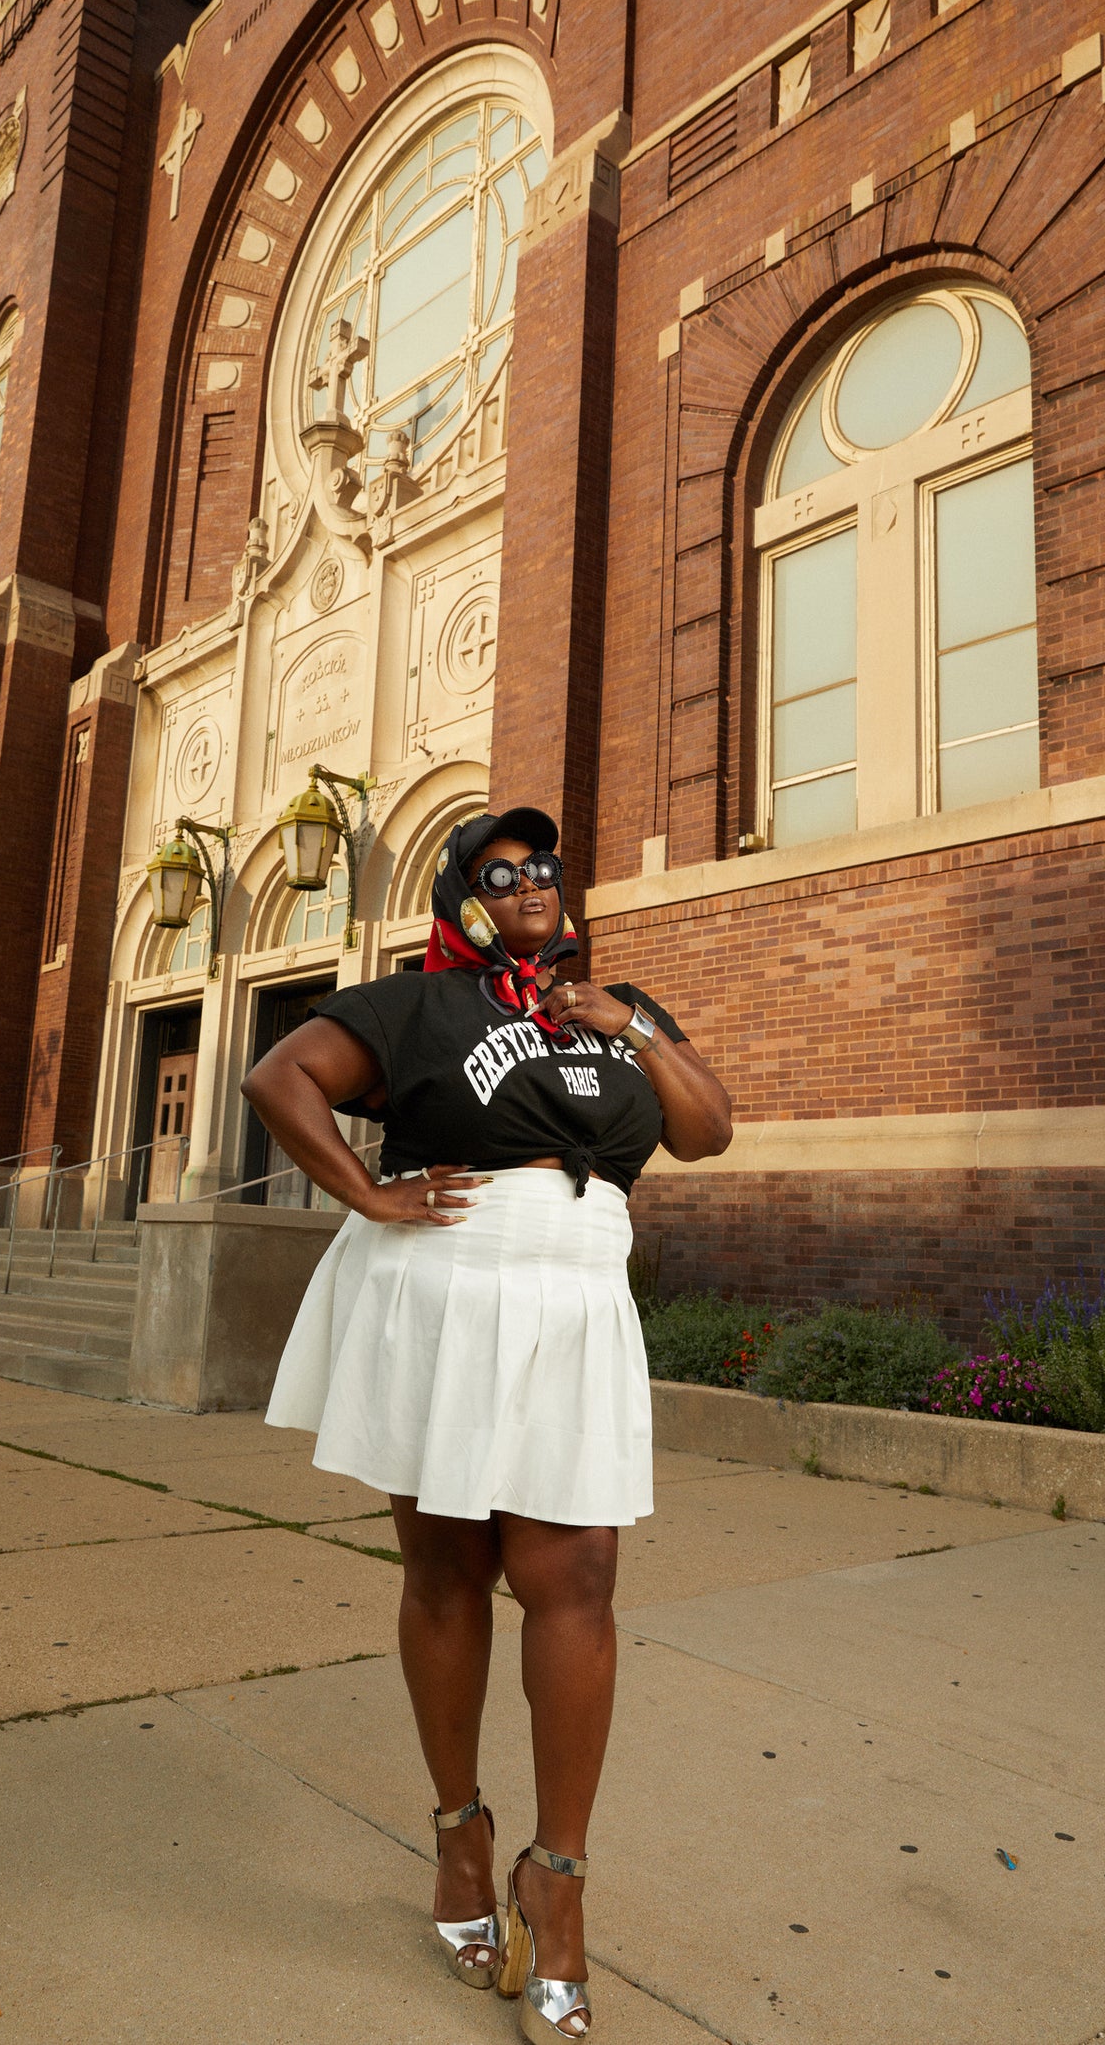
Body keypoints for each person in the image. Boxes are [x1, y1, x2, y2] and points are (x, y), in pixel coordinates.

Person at [241, 806, 732, 2040]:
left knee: (577, 1577)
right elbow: (277, 1077)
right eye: (495, 870)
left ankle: (552, 1880)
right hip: (449, 1288)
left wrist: (624, 1027)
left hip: (575, 1295)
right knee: (448, 1569)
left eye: (540, 868)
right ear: (460, 897)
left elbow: (706, 1127)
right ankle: (460, 1831)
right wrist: (365, 1190)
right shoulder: (415, 1005)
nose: (526, 882)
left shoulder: (618, 1002)